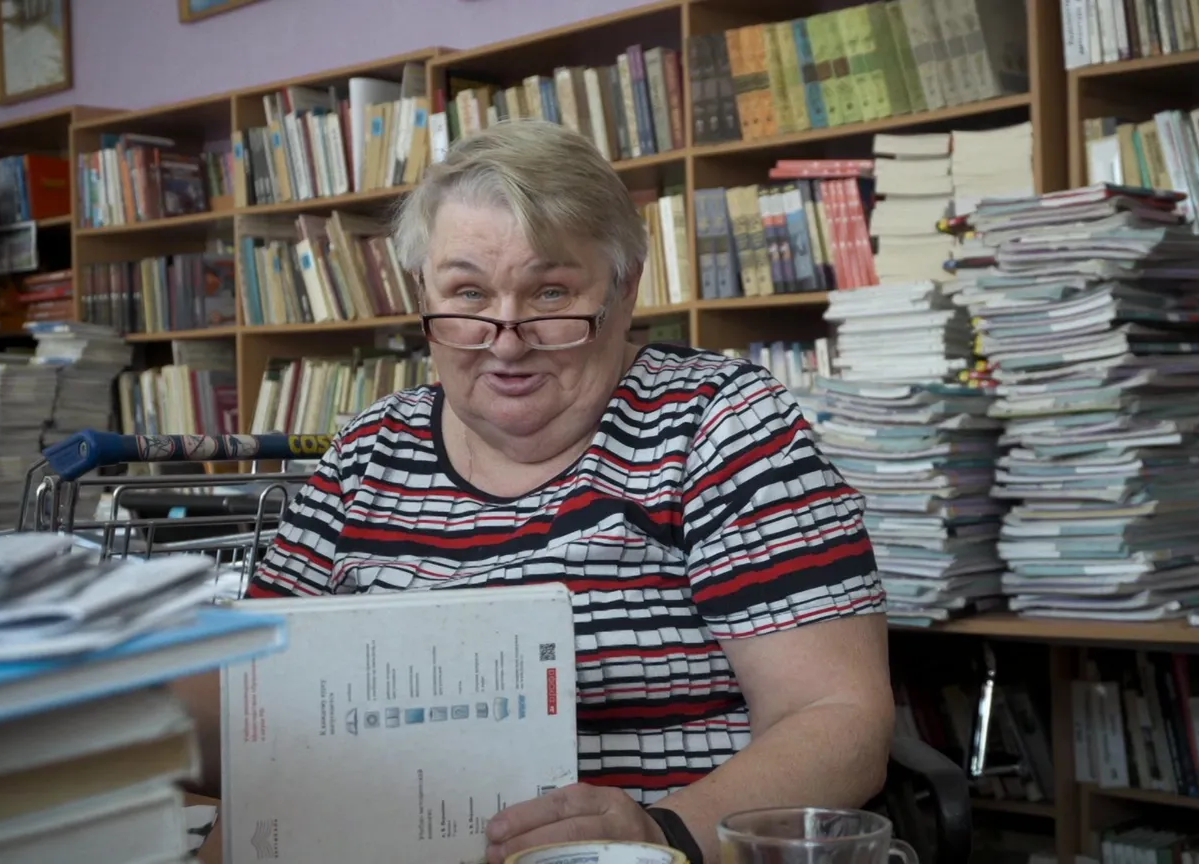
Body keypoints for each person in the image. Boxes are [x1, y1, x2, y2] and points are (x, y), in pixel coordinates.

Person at [177, 118, 893, 864]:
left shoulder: (722, 424)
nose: (506, 337)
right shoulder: (366, 451)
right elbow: (249, 700)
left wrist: (665, 833)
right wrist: (102, 708)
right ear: (423, 294)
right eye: (468, 293)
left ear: (623, 290)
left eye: (550, 292)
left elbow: (836, 716)